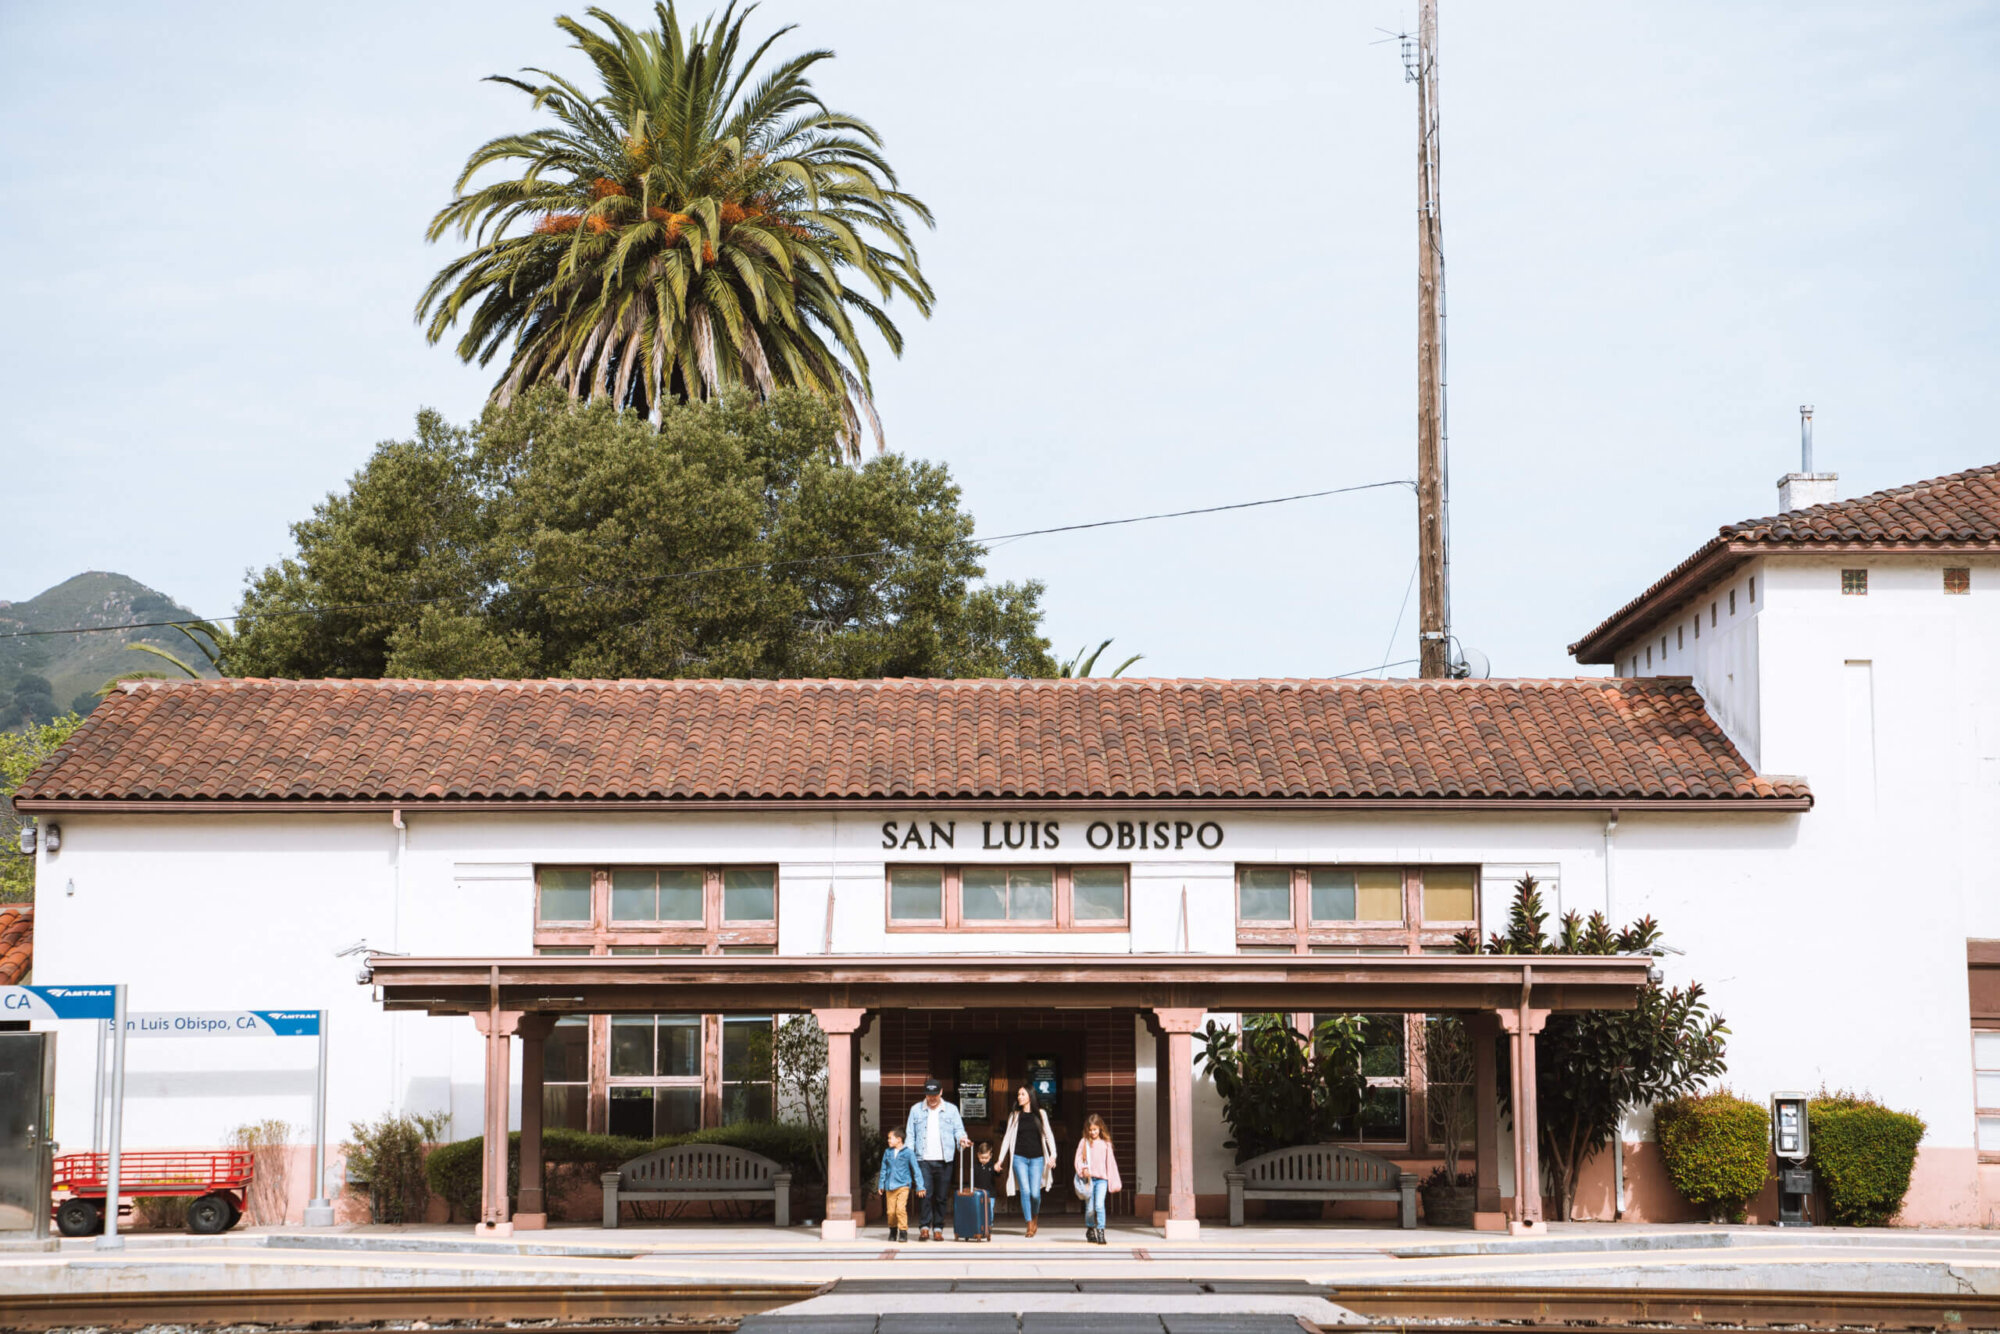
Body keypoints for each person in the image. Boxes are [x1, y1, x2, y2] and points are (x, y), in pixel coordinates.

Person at [905, 1078, 970, 1241]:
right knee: (925, 1195)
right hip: (923, 1159)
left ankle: (939, 1227)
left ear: (941, 1092)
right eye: (929, 1095)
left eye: (935, 1095)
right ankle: (925, 1227)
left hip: (945, 1159)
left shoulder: (951, 1110)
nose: (932, 1099)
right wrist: (908, 1157)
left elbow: (958, 1130)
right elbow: (910, 1135)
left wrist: (962, 1139)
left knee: (941, 1196)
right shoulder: (916, 1110)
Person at [994, 1083, 1058, 1237]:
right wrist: (999, 1160)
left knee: (1035, 1194)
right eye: (1018, 1094)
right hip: (1019, 1158)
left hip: (1037, 1159)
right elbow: (1007, 1139)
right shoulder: (1015, 1116)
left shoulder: (1041, 1114)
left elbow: (1049, 1135)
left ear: (1030, 1095)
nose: (1019, 1097)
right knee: (1025, 1191)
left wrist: (1053, 1155)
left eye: (1022, 1094)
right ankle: (1029, 1224)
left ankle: (1035, 1217)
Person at [1073, 1112, 1121, 1245]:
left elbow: (1110, 1164)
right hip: (1089, 1180)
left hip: (1102, 1180)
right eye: (1090, 1130)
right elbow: (1077, 1160)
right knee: (1089, 1208)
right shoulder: (1084, 1142)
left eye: (1095, 1129)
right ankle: (1090, 1228)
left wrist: (1113, 1181)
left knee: (1099, 1206)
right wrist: (1083, 1169)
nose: (1093, 1132)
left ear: (1100, 1128)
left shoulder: (1106, 1144)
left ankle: (1101, 1231)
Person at [876, 1126, 919, 1243]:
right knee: (890, 1212)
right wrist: (881, 1185)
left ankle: (903, 1232)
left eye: (890, 1138)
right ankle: (893, 1230)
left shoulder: (909, 1152)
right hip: (890, 1186)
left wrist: (920, 1186)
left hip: (903, 1185)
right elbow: (884, 1169)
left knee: (900, 1209)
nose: (888, 1140)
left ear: (899, 1139)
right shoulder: (887, 1152)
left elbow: (916, 1169)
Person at [972, 1141, 997, 1232]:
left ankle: (989, 1224)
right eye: (982, 1157)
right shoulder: (975, 1166)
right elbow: (973, 1178)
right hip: (978, 1192)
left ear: (990, 1156)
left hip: (990, 1193)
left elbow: (998, 1174)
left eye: (986, 1158)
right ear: (978, 1155)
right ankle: (979, 1224)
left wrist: (997, 1170)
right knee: (978, 1208)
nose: (984, 1160)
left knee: (989, 1209)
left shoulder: (992, 1166)